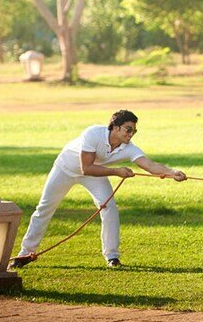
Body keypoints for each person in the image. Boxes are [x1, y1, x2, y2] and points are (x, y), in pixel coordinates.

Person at [10, 110, 186, 268]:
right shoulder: (93, 133)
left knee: (110, 208)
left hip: (95, 174)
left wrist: (173, 173)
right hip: (66, 169)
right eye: (128, 129)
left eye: (134, 130)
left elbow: (150, 165)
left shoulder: (129, 148)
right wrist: (116, 171)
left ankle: (112, 257)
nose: (131, 134)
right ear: (115, 127)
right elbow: (86, 167)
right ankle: (25, 253)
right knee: (44, 208)